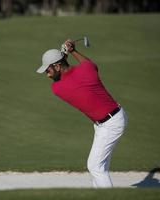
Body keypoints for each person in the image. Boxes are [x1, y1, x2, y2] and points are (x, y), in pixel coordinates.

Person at [36, 39, 128, 188]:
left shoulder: (58, 88)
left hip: (111, 124)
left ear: (58, 66)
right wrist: (73, 52)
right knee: (100, 167)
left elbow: (69, 76)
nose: (46, 73)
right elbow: (90, 64)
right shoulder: (87, 69)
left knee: (94, 166)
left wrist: (66, 55)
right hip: (110, 120)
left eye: (48, 69)